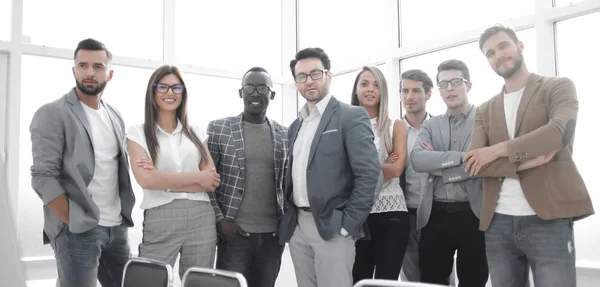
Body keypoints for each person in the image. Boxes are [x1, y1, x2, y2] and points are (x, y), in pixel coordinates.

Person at [465, 24, 595, 287]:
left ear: (519, 46)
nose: (499, 55)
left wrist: (497, 150)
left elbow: (558, 134)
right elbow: (475, 164)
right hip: (497, 222)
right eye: (490, 53)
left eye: (503, 46)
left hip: (548, 219)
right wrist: (526, 162)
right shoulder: (484, 109)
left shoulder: (557, 87)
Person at [30, 38, 135, 287]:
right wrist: (72, 220)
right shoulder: (53, 113)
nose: (90, 72)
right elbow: (43, 176)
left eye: (98, 66)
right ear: (74, 70)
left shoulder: (115, 115)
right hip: (78, 228)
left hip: (116, 228)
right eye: (83, 65)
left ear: (109, 74)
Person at [278, 47, 381, 287]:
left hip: (333, 226)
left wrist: (348, 226)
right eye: (301, 76)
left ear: (329, 76)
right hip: (298, 226)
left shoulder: (351, 116)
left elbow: (369, 174)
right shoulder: (296, 125)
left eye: (315, 73)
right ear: (296, 82)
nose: (309, 81)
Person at [127, 65, 220, 278]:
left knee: (199, 282)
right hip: (161, 216)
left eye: (176, 88)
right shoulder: (137, 133)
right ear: (152, 92)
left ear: (183, 94)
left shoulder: (196, 131)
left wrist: (164, 181)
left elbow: (212, 181)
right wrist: (197, 178)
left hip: (202, 217)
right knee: (149, 280)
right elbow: (147, 180)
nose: (170, 93)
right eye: (163, 87)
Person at [206, 67, 288, 287]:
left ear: (271, 94)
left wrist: (286, 222)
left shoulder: (285, 134)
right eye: (249, 87)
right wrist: (220, 220)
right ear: (241, 92)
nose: (255, 93)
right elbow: (207, 181)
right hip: (234, 235)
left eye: (262, 87)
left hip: (272, 237)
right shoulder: (219, 129)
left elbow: (288, 183)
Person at [411, 60, 488, 286]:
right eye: (443, 84)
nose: (450, 88)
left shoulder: (485, 120)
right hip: (435, 215)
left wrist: (439, 165)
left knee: (474, 281)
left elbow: (485, 165)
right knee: (431, 282)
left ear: (469, 85)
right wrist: (463, 157)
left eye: (456, 82)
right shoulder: (431, 125)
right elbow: (417, 160)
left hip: (474, 215)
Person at [350, 66, 410, 283]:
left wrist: (359, 167)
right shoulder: (344, 127)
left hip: (392, 214)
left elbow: (396, 169)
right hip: (356, 215)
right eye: (364, 83)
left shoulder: (397, 125)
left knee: (386, 282)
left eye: (376, 85)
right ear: (356, 89)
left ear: (383, 91)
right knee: (358, 281)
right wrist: (380, 164)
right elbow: (340, 171)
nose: (370, 89)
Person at [398, 69, 434, 283]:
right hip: (406, 216)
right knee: (411, 279)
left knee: (441, 278)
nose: (409, 96)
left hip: (437, 215)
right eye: (404, 91)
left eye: (415, 91)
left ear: (428, 94)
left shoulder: (440, 127)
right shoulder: (394, 131)